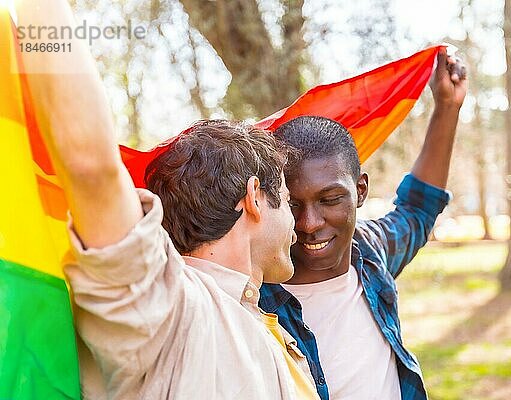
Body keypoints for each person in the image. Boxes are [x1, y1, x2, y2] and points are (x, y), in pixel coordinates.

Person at [18, 1, 319, 399]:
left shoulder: (270, 325)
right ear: (254, 199)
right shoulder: (169, 311)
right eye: (286, 200)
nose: (299, 224)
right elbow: (88, 162)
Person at [259, 48, 467, 400]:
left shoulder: (369, 253)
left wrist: (447, 107)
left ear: (360, 190)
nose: (310, 224)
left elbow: (418, 210)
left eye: (330, 200)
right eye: (293, 204)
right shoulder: (250, 293)